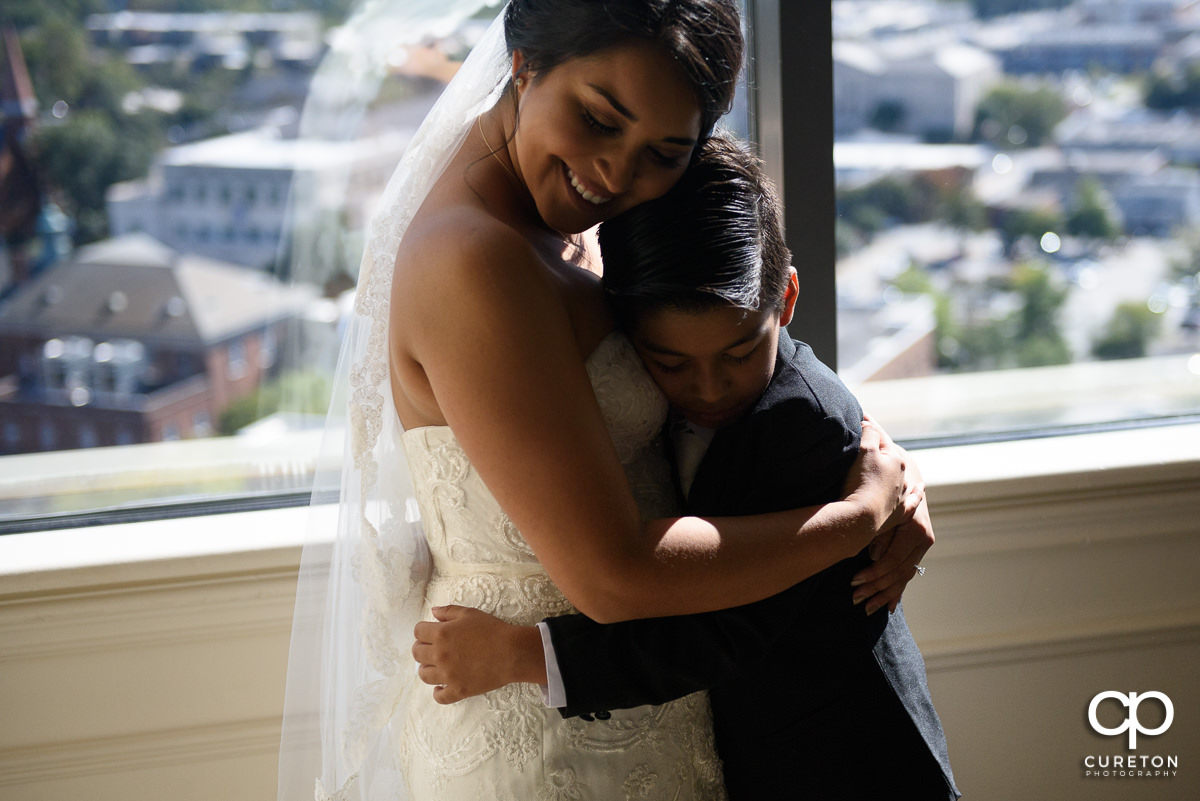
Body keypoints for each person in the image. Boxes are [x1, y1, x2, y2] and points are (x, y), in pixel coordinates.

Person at [278, 3, 932, 800]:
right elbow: (612, 575)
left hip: (652, 706)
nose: (618, 176)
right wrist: (858, 516)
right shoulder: (475, 260)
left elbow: (733, 306)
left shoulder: (578, 198)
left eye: (665, 151)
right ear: (523, 62)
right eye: (597, 118)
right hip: (539, 731)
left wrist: (851, 442)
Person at [411, 135, 960, 799]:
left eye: (736, 354)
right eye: (669, 363)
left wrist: (528, 654)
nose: (707, 389)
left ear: (784, 302)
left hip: (847, 763)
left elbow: (721, 634)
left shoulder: (800, 422)